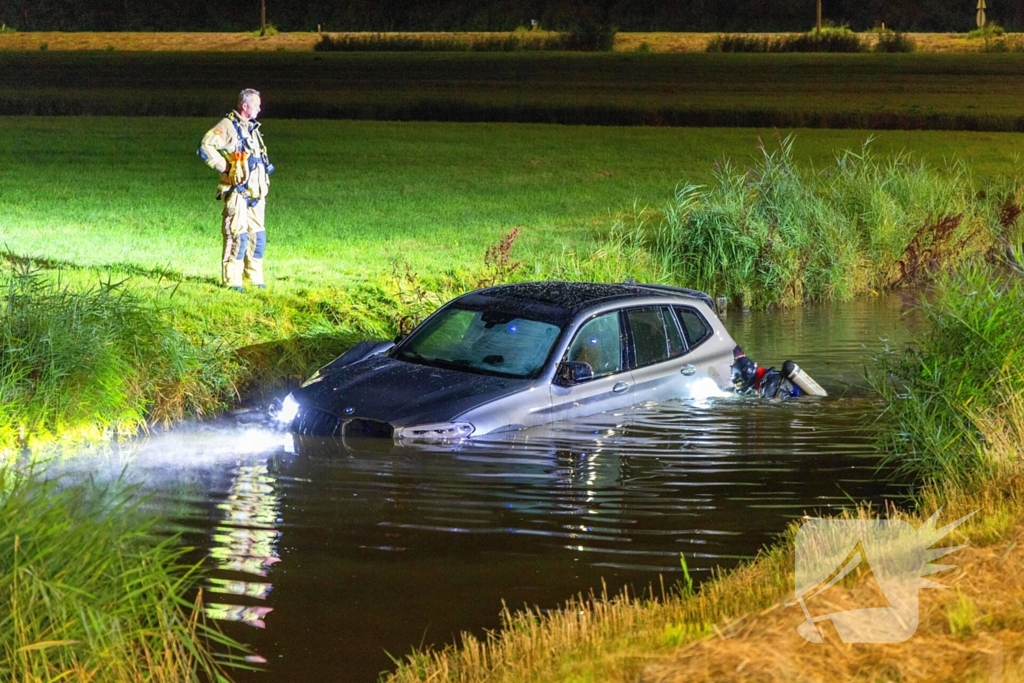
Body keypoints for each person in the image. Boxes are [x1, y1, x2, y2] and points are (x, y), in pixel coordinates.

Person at [197, 89, 274, 291]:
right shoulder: (228, 126)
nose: (260, 108)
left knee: (257, 238)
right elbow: (205, 146)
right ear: (244, 106)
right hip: (237, 193)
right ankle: (232, 281)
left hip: (256, 195)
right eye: (256, 104)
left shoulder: (252, 128)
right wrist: (226, 167)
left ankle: (255, 279)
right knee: (236, 238)